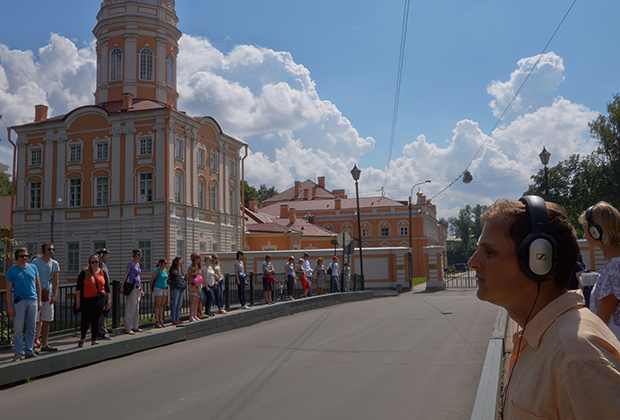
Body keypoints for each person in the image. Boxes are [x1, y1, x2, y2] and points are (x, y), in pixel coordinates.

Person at [468, 196, 620, 419]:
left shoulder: (577, 358)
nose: (473, 261)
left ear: (538, 260)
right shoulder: (547, 340)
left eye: (489, 251)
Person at [579, 202, 620, 339]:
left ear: (596, 231)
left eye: (586, 231)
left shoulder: (615, 267)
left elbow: (601, 321)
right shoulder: (613, 264)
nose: (584, 236)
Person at [5, 248, 42, 361]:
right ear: (17, 258)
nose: (24, 258)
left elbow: (38, 285)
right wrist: (10, 306)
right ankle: (18, 353)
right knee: (18, 328)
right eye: (22, 256)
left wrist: (39, 300)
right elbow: (8, 289)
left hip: (32, 300)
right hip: (19, 301)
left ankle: (29, 350)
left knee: (32, 328)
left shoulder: (33, 267)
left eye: (26, 255)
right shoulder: (12, 271)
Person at [75, 254, 111, 347]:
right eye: (92, 262)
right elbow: (78, 288)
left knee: (96, 320)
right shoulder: (84, 272)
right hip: (87, 300)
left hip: (98, 300)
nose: (94, 264)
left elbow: (107, 288)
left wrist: (108, 301)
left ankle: (93, 339)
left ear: (99, 262)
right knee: (85, 320)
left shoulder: (102, 273)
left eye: (96, 262)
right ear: (89, 263)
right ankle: (82, 337)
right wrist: (78, 302)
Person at [32, 242, 60, 352]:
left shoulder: (54, 263)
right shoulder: (36, 262)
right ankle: (32, 344)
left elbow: (55, 280)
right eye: (49, 249)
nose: (51, 251)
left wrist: (55, 294)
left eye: (53, 249)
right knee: (34, 320)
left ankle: (44, 344)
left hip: (48, 293)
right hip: (36, 293)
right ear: (44, 250)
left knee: (47, 320)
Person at [120, 249, 144, 334]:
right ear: (134, 255)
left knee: (136, 308)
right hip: (132, 287)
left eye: (141, 254)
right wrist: (122, 286)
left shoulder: (138, 264)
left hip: (137, 287)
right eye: (138, 254)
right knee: (130, 307)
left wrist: (141, 289)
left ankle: (135, 326)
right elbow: (126, 275)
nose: (140, 256)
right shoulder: (130, 264)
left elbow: (138, 277)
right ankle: (128, 327)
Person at [96, 248, 112, 339]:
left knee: (105, 310)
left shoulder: (103, 265)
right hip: (101, 292)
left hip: (105, 291)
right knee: (101, 312)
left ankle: (102, 328)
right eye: (106, 255)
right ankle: (101, 331)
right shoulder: (99, 266)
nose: (108, 257)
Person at [150, 259, 169, 328]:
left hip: (164, 288)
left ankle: (161, 320)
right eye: (165, 263)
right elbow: (152, 280)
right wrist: (151, 289)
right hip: (158, 288)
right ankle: (157, 321)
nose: (166, 264)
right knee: (157, 305)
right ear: (161, 264)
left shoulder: (166, 271)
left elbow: (166, 279)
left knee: (161, 305)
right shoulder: (157, 271)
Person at [168, 256, 186, 325]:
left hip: (181, 287)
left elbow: (182, 275)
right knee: (174, 304)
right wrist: (178, 265)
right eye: (180, 260)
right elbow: (178, 274)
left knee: (179, 304)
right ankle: (173, 319)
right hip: (175, 287)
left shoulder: (180, 269)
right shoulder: (173, 268)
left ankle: (177, 318)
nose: (181, 262)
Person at [186, 253, 203, 321]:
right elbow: (187, 276)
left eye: (198, 258)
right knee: (193, 301)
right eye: (196, 258)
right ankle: (191, 315)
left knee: (196, 301)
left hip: (198, 285)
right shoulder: (191, 267)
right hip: (193, 285)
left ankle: (195, 315)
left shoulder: (199, 267)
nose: (197, 260)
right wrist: (191, 281)